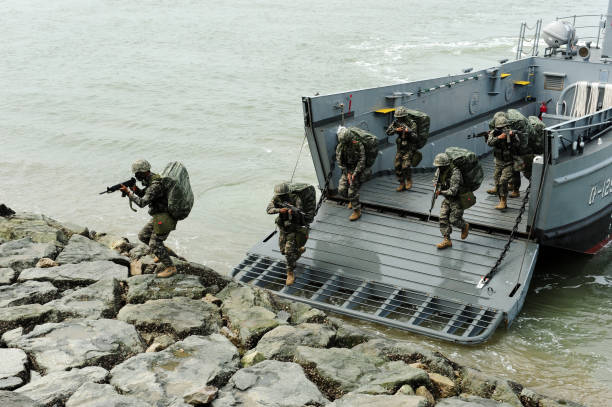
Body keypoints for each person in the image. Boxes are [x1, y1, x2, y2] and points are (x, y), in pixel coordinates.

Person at [119, 159, 177, 278]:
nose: (136, 176)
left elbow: (142, 203)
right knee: (143, 236)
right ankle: (164, 252)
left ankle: (171, 267)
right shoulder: (151, 180)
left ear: (144, 171)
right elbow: (146, 196)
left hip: (166, 217)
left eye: (137, 173)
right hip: (159, 215)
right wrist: (135, 189)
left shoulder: (155, 185)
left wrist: (129, 193)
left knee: (154, 243)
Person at [266, 182, 310, 286]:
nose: (281, 197)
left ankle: (290, 273)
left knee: (288, 252)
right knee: (283, 251)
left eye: (283, 195)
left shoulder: (295, 198)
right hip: (283, 229)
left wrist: (292, 212)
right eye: (280, 195)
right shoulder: (276, 199)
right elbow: (269, 209)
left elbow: (299, 211)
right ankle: (298, 251)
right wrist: (280, 210)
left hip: (293, 229)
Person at [433, 153, 469, 249]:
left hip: (458, 199)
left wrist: (440, 192)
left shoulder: (455, 173)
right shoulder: (439, 170)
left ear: (446, 165)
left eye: (440, 166)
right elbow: (436, 179)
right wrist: (436, 185)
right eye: (438, 166)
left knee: (454, 220)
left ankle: (464, 226)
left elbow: (453, 191)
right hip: (447, 198)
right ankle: (447, 240)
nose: (439, 168)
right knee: (443, 217)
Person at [486, 115, 522, 210]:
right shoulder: (494, 133)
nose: (503, 129)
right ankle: (501, 199)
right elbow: (489, 142)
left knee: (503, 181)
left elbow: (518, 144)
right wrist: (499, 138)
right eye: (501, 128)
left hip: (510, 161)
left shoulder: (511, 133)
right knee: (497, 180)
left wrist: (512, 137)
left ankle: (503, 201)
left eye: (505, 127)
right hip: (499, 161)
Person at [336, 126, 367, 221]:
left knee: (352, 191)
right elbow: (340, 161)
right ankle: (351, 200)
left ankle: (357, 211)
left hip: (358, 170)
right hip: (347, 170)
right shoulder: (341, 146)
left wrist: (355, 173)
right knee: (341, 190)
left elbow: (362, 159)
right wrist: (347, 173)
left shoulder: (357, 144)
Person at [386, 106, 419, 191]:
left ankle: (408, 180)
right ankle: (401, 183)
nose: (399, 119)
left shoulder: (412, 124)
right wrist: (396, 130)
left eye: (401, 118)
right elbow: (388, 132)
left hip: (409, 147)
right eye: (398, 118)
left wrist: (409, 132)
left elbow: (416, 137)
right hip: (400, 147)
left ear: (404, 116)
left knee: (405, 166)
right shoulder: (396, 122)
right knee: (397, 165)